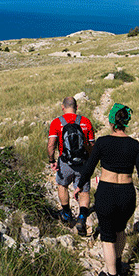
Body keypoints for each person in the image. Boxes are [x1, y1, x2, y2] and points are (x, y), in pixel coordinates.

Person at [79, 103, 139, 276]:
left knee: (107, 237)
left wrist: (80, 185)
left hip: (107, 192)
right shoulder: (134, 145)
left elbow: (89, 167)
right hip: (127, 193)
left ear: (111, 122)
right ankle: (118, 264)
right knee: (120, 230)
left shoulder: (102, 143)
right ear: (125, 122)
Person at [47, 95, 95, 235]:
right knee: (84, 191)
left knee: (62, 185)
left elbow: (51, 145)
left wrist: (52, 160)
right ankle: (82, 217)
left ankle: (67, 213)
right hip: (83, 163)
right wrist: (90, 161)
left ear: (63, 108)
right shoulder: (85, 121)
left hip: (65, 162)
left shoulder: (57, 122)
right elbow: (92, 145)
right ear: (77, 107)